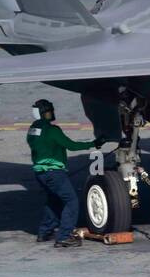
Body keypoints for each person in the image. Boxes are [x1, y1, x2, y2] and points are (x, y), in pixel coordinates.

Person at [27, 98, 101, 248]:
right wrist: (94, 144)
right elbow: (71, 146)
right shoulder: (52, 130)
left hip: (40, 173)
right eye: (48, 112)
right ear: (43, 113)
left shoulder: (33, 129)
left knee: (53, 200)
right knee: (71, 201)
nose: (51, 114)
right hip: (54, 173)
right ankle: (64, 236)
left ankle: (45, 231)